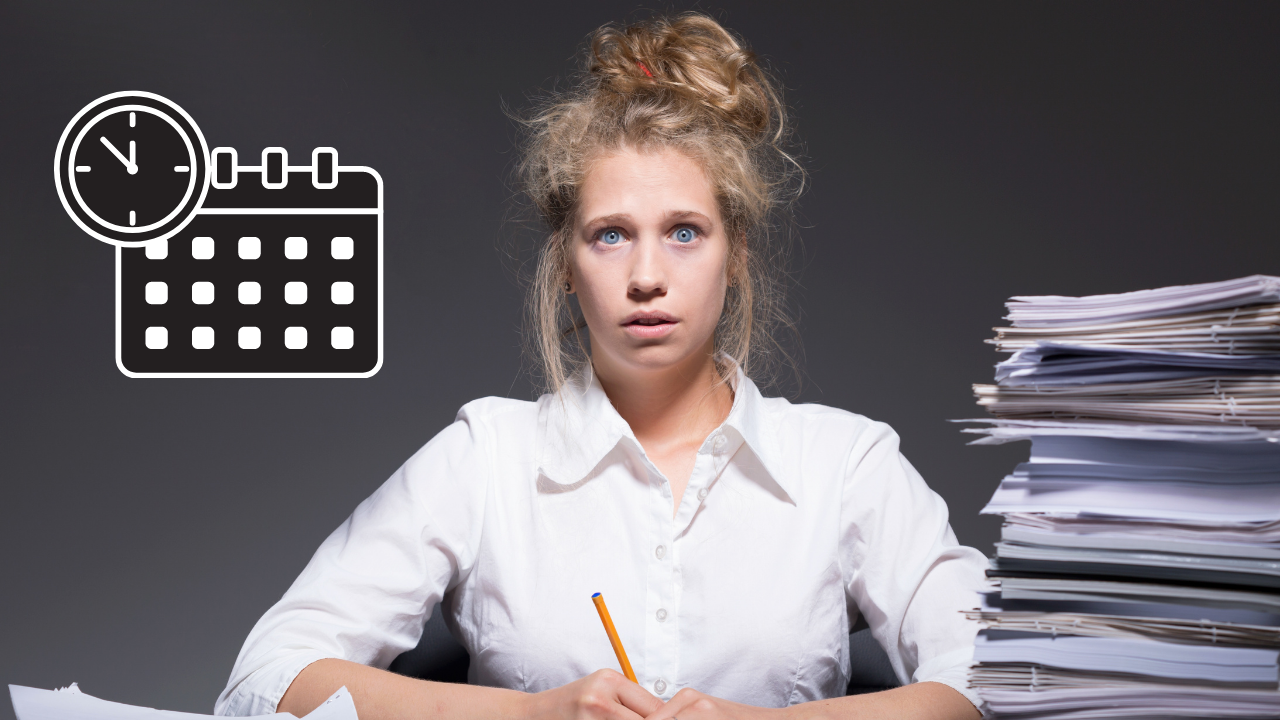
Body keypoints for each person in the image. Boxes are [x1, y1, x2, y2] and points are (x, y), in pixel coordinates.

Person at [216, 12, 987, 720]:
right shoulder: (489, 457)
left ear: (737, 255)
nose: (647, 274)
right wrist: (536, 715)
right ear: (564, 264)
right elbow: (265, 679)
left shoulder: (845, 464)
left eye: (684, 232)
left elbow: (999, 678)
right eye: (611, 235)